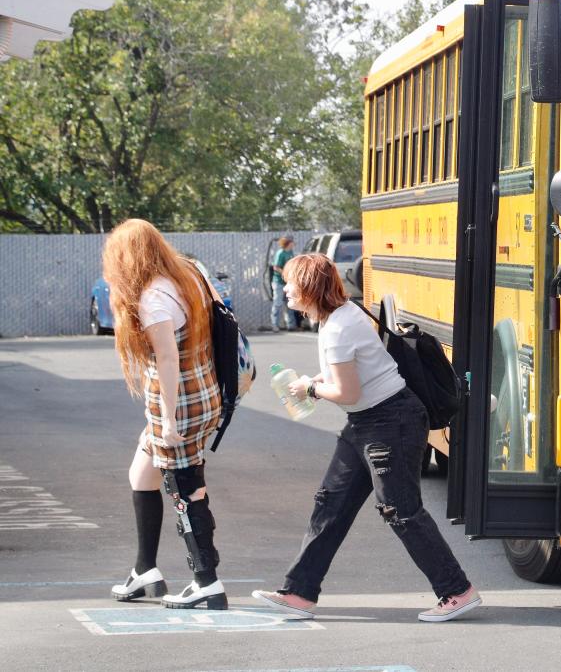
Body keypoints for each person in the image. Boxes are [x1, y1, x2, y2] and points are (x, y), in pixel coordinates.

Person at [251, 253, 480, 623]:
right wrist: (313, 383)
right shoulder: (335, 319)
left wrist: (310, 388)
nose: (286, 287)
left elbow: (348, 392)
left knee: (401, 511)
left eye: (291, 281)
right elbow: (350, 384)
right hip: (366, 422)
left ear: (309, 286)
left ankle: (457, 591)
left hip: (390, 422)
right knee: (331, 504)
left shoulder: (339, 327)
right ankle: (299, 593)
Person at [103, 219, 228, 610]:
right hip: (204, 393)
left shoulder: (153, 298)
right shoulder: (187, 273)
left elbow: (168, 358)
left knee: (185, 489)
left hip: (179, 405)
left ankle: (206, 580)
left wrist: (170, 419)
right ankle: (145, 570)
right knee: (141, 475)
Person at [269, 237, 295, 331]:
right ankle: (274, 324)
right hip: (279, 282)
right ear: (288, 243)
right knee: (278, 303)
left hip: (288, 282)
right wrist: (285, 273)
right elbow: (276, 267)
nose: (293, 243)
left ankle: (290, 325)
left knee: (290, 302)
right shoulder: (281, 253)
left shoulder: (291, 252)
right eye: (292, 242)